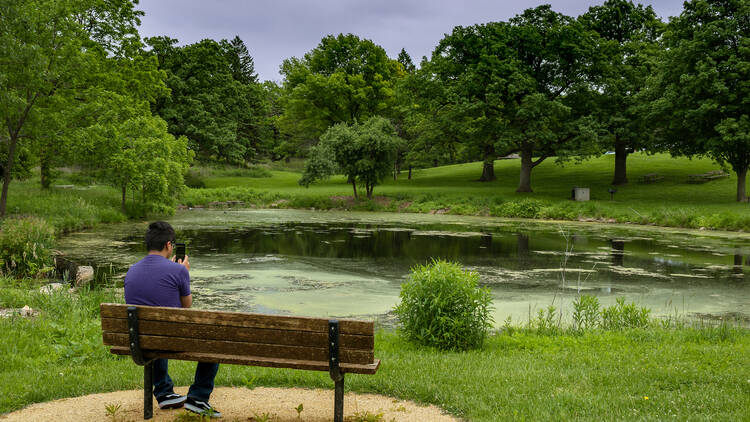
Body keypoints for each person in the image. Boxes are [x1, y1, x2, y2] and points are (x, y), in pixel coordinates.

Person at [124, 221, 221, 418]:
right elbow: (187, 305)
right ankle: (198, 397)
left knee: (154, 332)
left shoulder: (132, 270)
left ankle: (164, 391)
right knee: (215, 339)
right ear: (169, 245)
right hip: (171, 340)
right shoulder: (178, 270)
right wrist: (184, 271)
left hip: (140, 341)